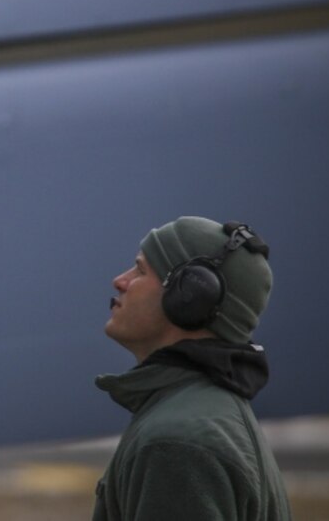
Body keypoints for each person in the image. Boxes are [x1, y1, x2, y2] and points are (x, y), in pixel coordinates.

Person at [93, 216, 291, 521]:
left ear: (190, 297)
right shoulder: (198, 416)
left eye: (141, 270)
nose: (120, 281)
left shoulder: (177, 445)